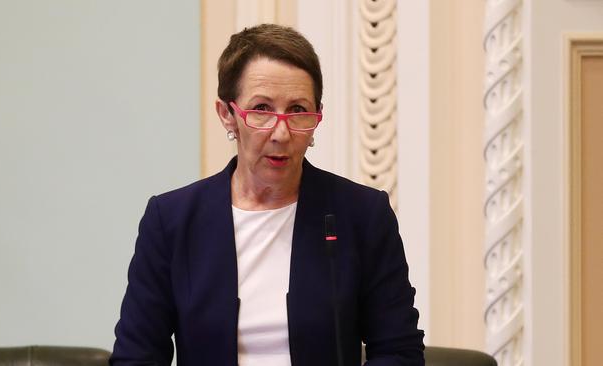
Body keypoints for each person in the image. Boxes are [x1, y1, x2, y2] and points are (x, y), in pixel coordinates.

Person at [110, 24, 424, 366]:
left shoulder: (361, 215)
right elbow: (136, 357)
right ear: (227, 115)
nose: (281, 132)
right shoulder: (171, 221)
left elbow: (399, 353)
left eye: (298, 110)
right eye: (261, 108)